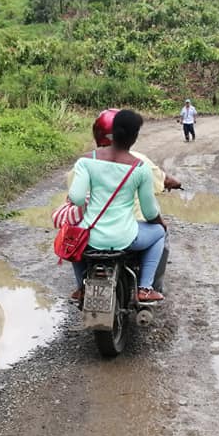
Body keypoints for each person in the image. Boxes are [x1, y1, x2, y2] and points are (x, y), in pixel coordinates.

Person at [56, 108, 180, 298]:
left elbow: (77, 198)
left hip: (90, 236)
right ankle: (145, 288)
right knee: (158, 233)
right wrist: (160, 223)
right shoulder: (140, 168)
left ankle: (82, 288)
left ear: (112, 132)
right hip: (125, 238)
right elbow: (149, 212)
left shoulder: (86, 161)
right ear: (135, 137)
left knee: (74, 234)